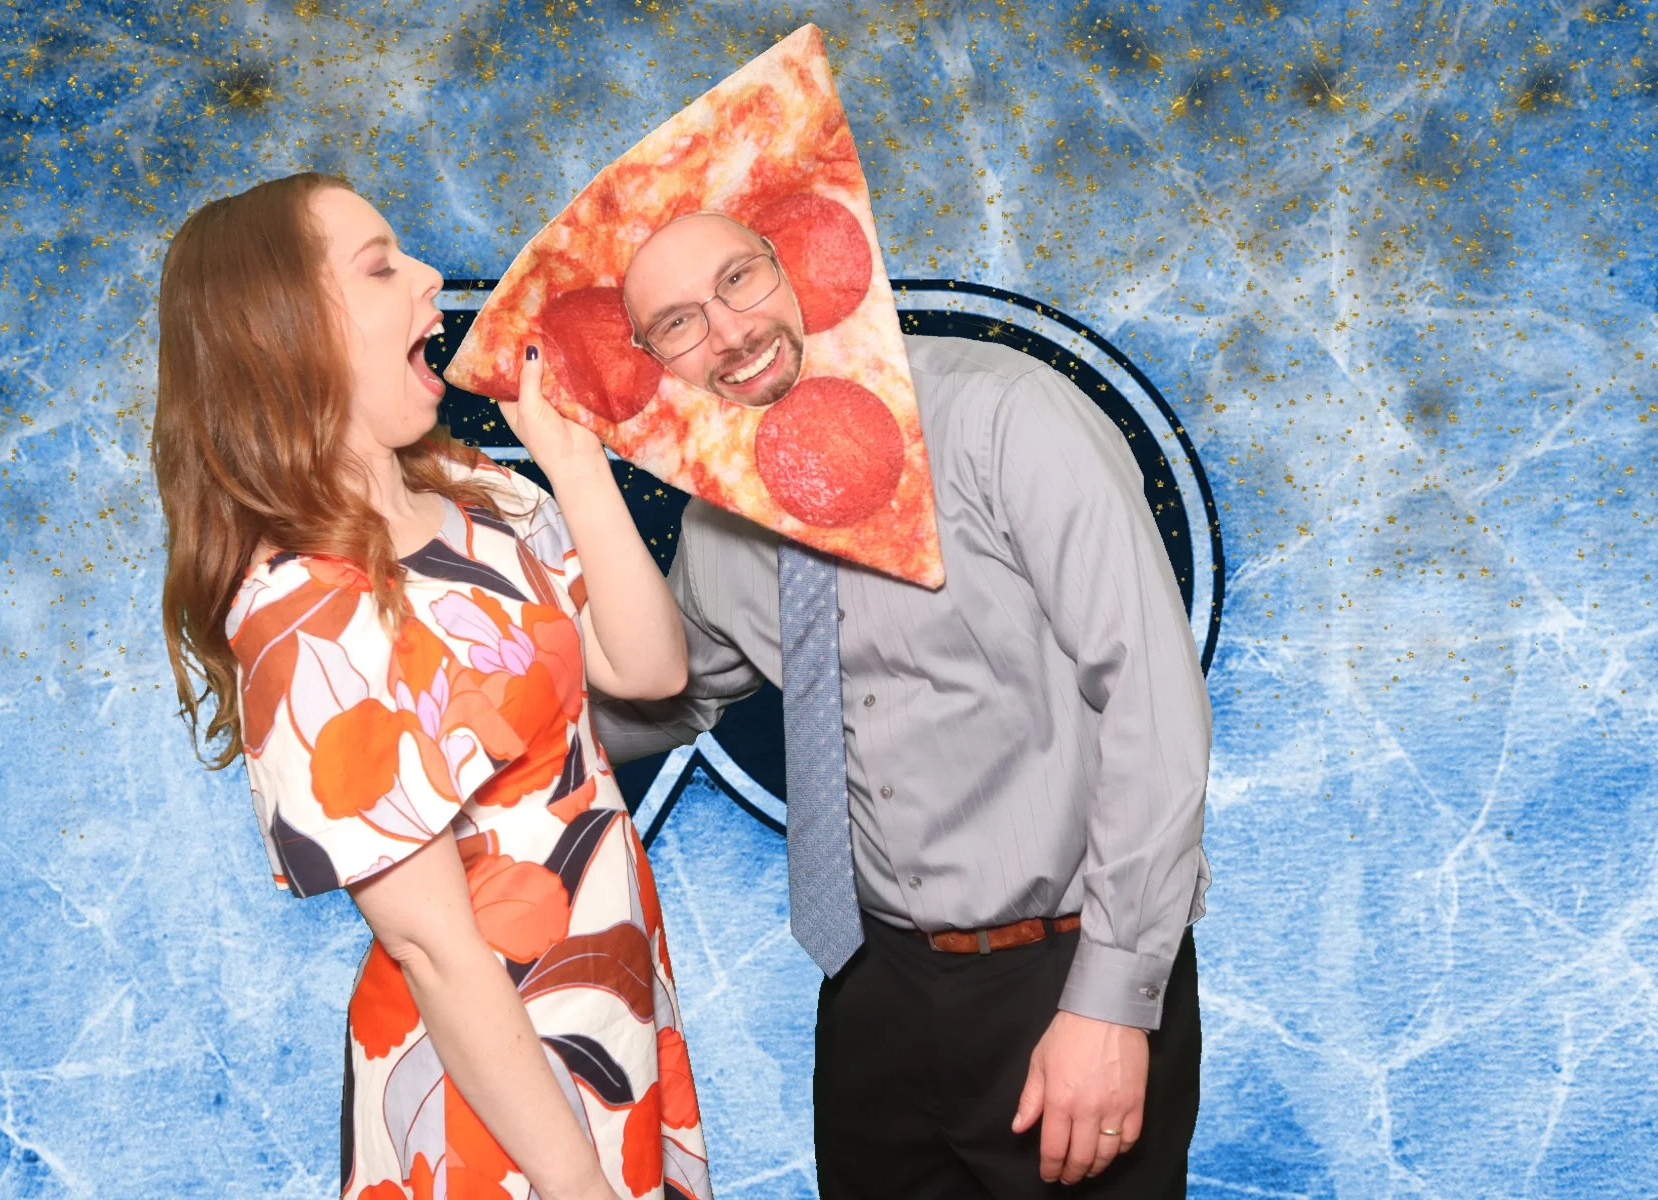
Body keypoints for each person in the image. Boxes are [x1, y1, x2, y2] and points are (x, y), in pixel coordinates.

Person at [592, 211, 1211, 1199]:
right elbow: (663, 701)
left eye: (740, 280)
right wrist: (481, 703)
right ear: (656, 360)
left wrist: (1114, 1002)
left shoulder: (1006, 417)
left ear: (800, 264)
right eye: (676, 323)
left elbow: (1152, 700)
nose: (728, 333)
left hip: (1061, 974)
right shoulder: (722, 523)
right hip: (871, 990)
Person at [153, 172, 714, 1200]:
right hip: (493, 1090)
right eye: (380, 267)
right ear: (287, 335)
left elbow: (648, 669)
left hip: (610, 1012)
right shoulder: (298, 615)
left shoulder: (485, 497)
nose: (430, 279)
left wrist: (576, 469)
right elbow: (432, 947)